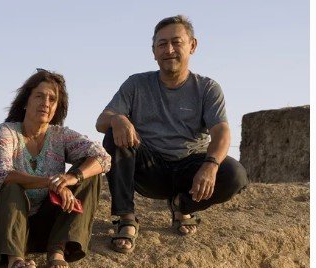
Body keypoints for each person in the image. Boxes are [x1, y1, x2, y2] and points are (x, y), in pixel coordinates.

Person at [96, 15, 248, 253]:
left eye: (176, 42)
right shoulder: (136, 84)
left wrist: (210, 164)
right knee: (113, 136)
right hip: (151, 169)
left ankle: (181, 205)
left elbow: (221, 132)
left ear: (192, 46)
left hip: (191, 169)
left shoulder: (207, 88)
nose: (169, 50)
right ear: (154, 51)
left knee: (235, 174)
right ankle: (125, 217)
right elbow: (101, 121)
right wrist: (118, 118)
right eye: (162, 44)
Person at [0, 70, 110, 268]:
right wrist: (51, 183)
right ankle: (15, 261)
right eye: (39, 96)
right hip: (2, 226)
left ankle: (57, 249)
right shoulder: (6, 131)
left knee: (89, 173)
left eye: (52, 99)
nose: (45, 103)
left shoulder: (60, 135)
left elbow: (103, 158)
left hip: (43, 228)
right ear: (26, 101)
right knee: (11, 186)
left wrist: (72, 178)